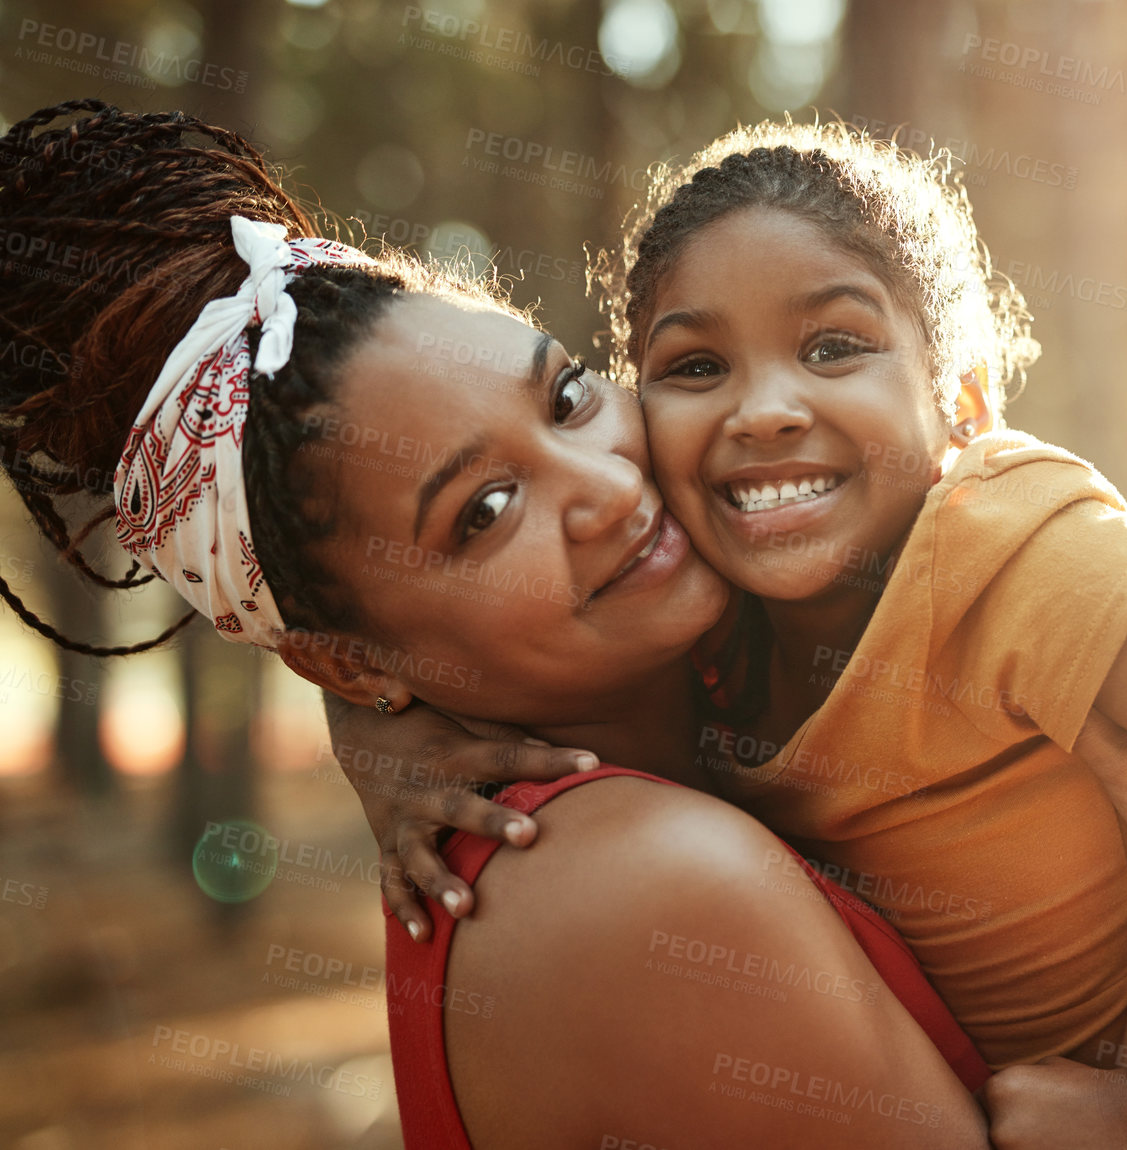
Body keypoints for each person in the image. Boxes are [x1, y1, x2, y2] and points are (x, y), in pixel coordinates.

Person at [339, 123, 1127, 1147]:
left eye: (834, 346)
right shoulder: (706, 596)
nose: (764, 408)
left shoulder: (1013, 558)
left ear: (966, 399)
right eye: (695, 367)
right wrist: (375, 744)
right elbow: (360, 606)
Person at [0, 99, 995, 1149]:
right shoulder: (655, 882)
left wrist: (370, 722)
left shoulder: (729, 684)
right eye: (483, 511)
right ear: (343, 660)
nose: (607, 489)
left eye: (567, 397)